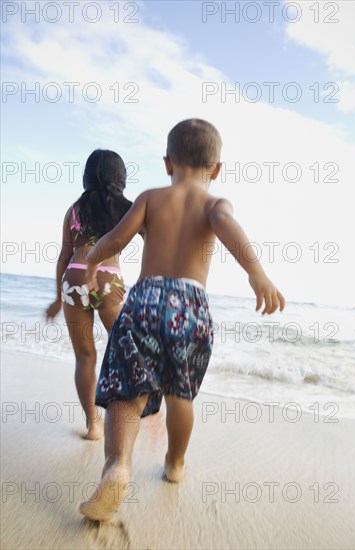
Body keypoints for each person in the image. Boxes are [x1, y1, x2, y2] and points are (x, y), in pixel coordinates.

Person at [79, 119, 285, 520]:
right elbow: (227, 227)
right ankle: (175, 464)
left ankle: (118, 465)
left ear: (167, 163)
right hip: (191, 309)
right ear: (217, 169)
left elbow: (116, 240)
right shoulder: (215, 204)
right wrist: (256, 272)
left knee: (126, 390)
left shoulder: (151, 198)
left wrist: (90, 263)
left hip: (143, 302)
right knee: (181, 393)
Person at [46, 149, 136, 440]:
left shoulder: (74, 209)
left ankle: (94, 425)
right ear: (120, 176)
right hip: (108, 279)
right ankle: (137, 413)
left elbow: (63, 255)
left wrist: (58, 298)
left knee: (85, 357)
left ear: (86, 176)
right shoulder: (128, 208)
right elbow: (154, 238)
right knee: (126, 351)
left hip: (73, 277)